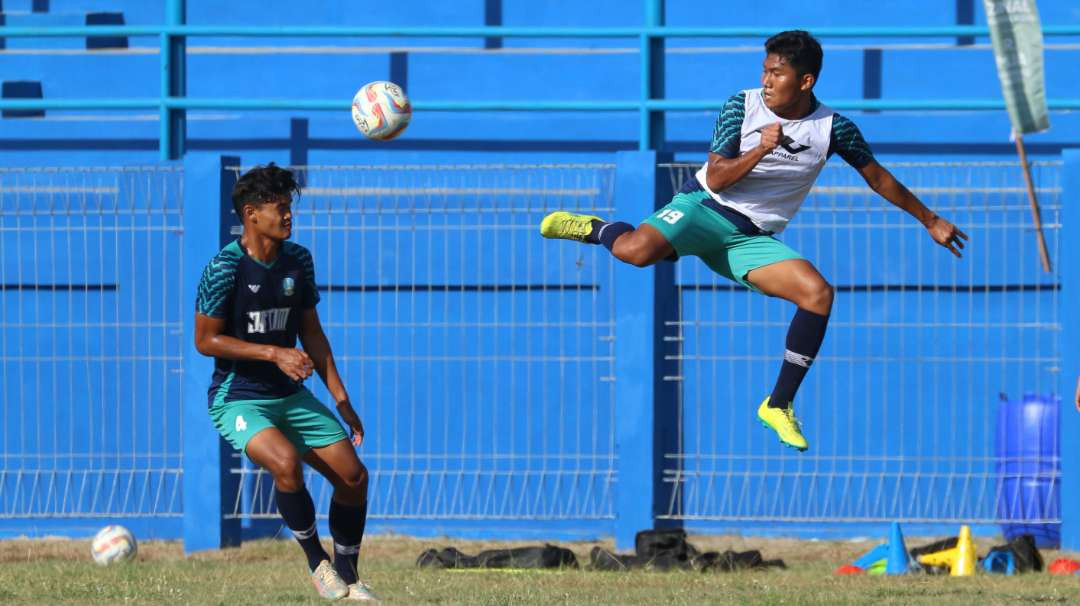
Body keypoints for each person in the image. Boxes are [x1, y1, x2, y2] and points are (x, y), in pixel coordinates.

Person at [539, 30, 968, 452]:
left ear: (805, 81)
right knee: (634, 252)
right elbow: (719, 175)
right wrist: (762, 148)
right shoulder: (740, 106)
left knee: (817, 294)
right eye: (764, 71)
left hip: (751, 238)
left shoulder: (834, 127)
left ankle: (778, 404)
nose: (766, 81)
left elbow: (877, 177)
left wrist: (930, 220)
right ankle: (595, 228)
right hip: (702, 208)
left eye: (776, 73)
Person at [194, 163, 379, 601]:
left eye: (289, 206)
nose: (289, 215)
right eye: (279, 208)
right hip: (239, 398)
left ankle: (349, 578)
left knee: (354, 478)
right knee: (285, 464)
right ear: (251, 214)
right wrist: (274, 353)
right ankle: (319, 565)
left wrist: (341, 399)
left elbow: (312, 333)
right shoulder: (223, 269)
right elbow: (206, 341)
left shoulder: (299, 261)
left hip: (289, 396)